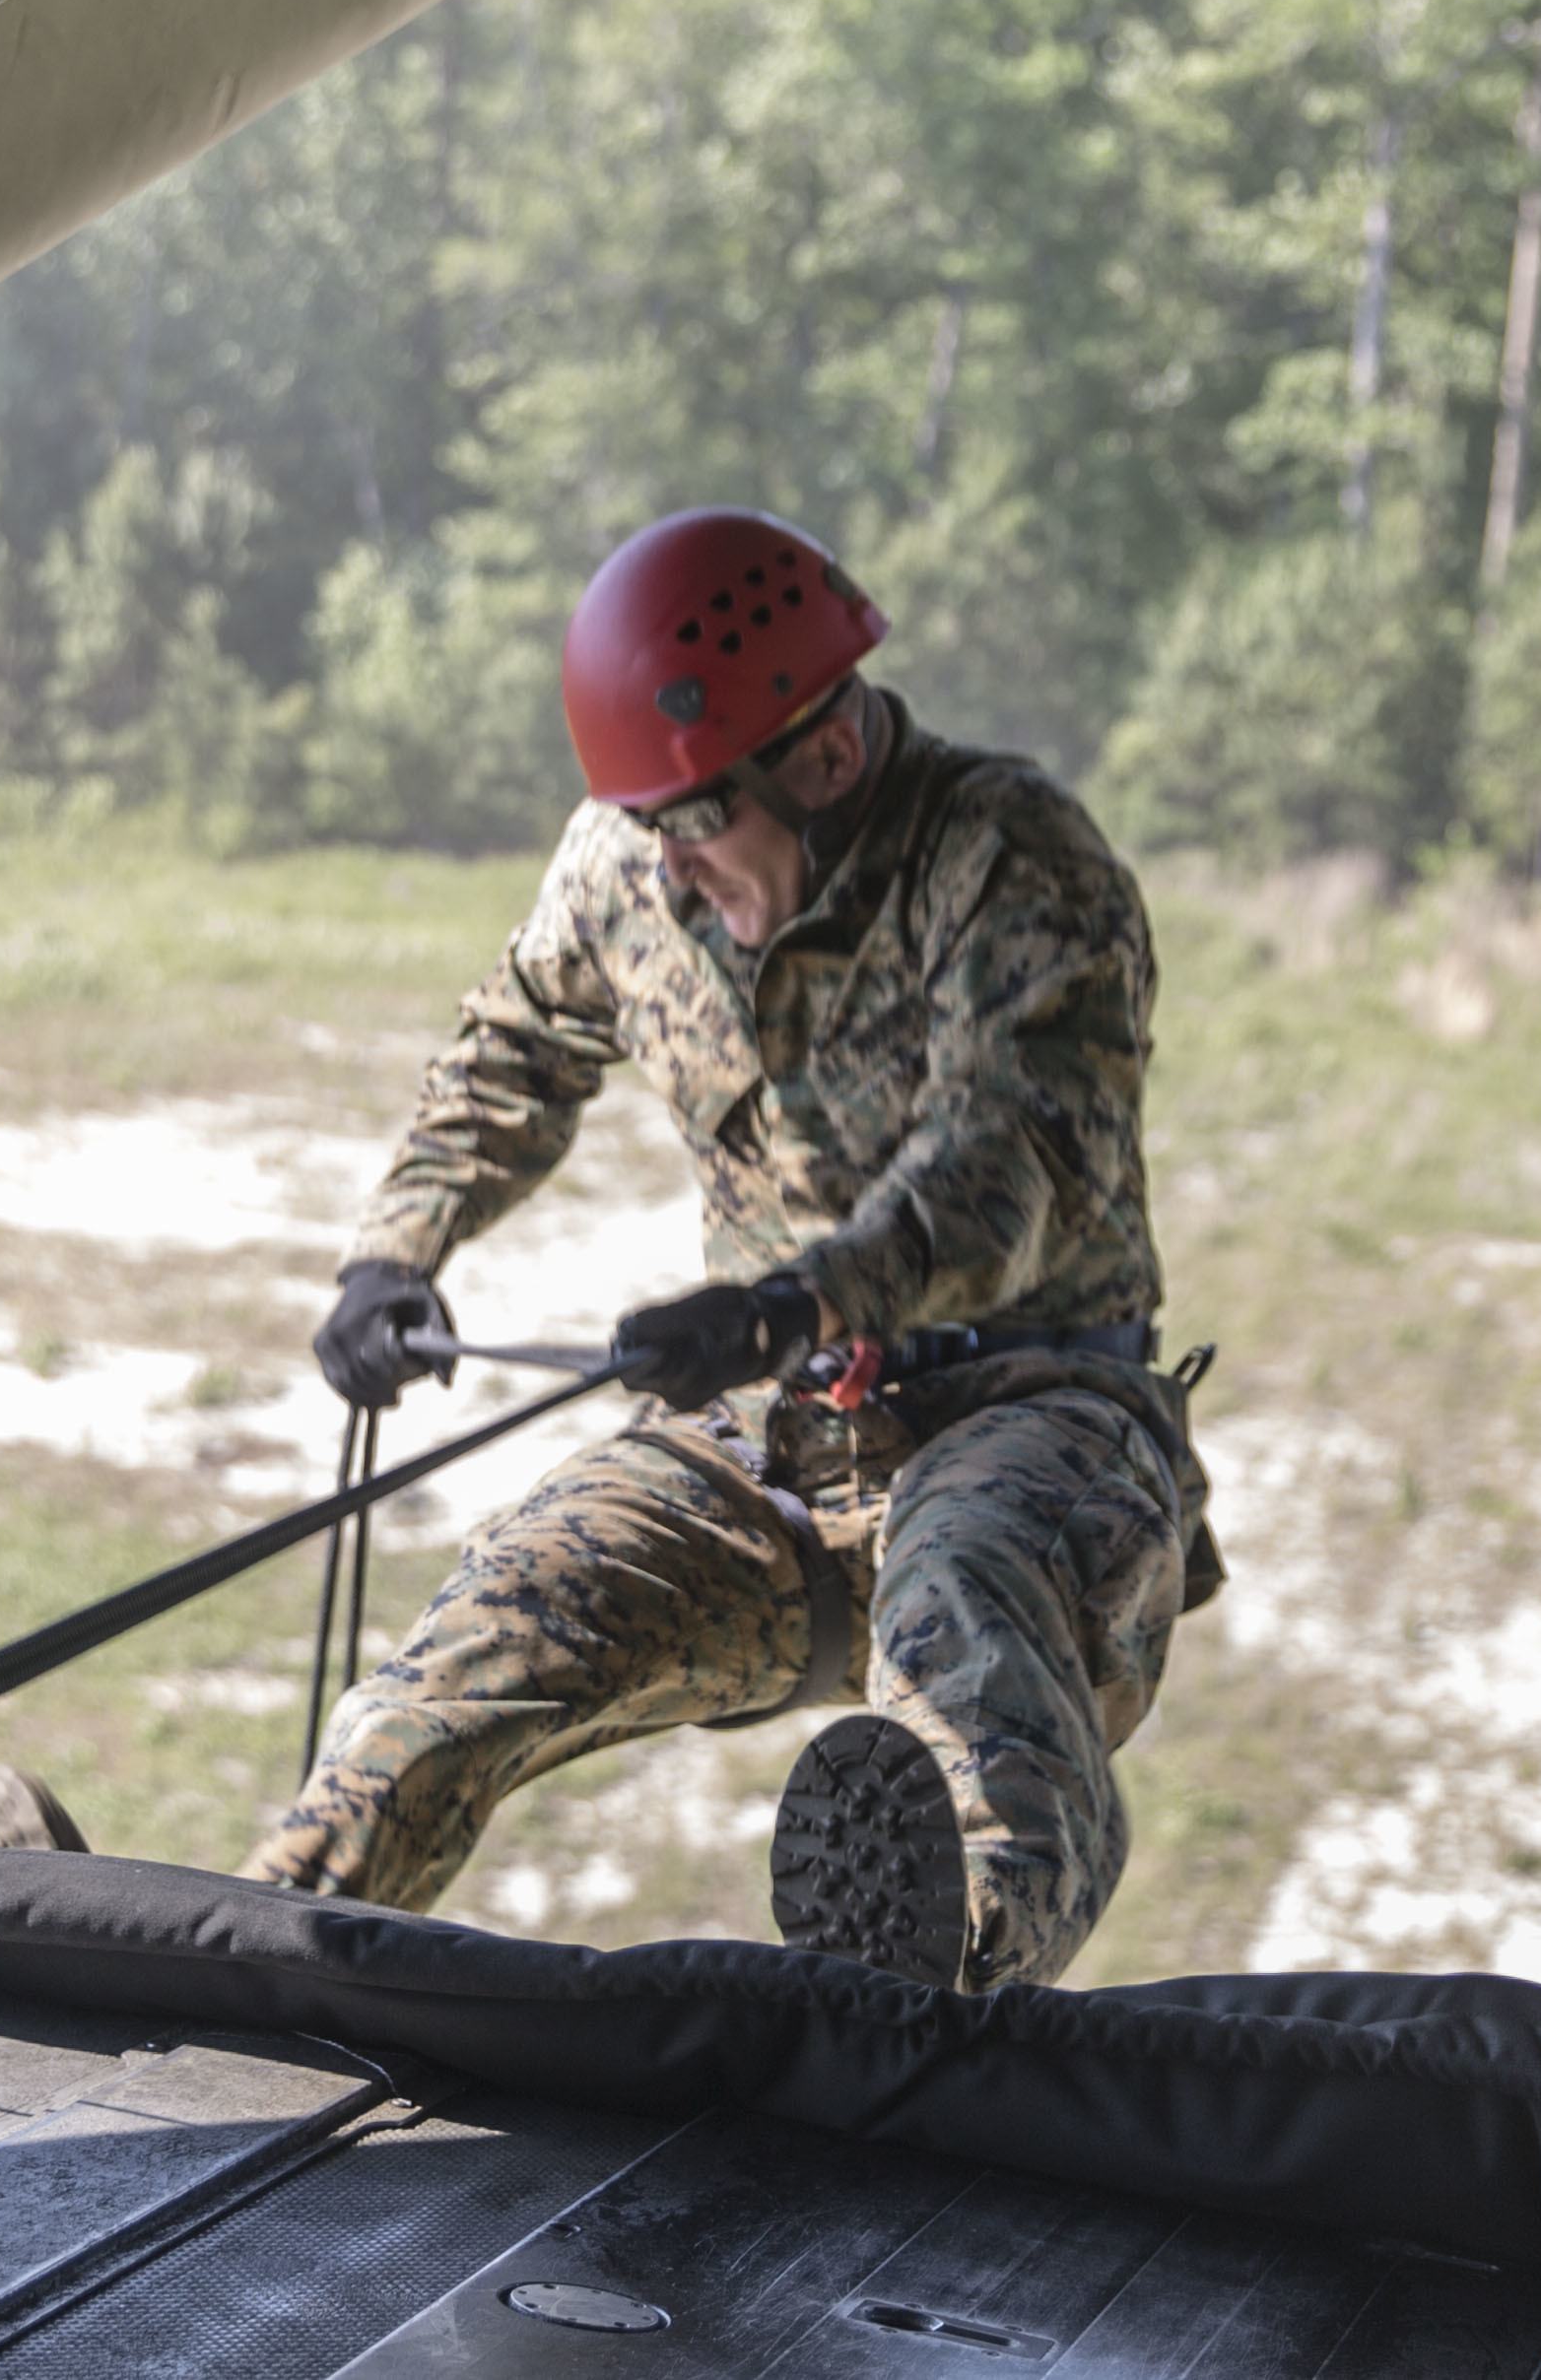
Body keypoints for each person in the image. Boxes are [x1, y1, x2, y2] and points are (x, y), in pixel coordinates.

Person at [261, 507, 1213, 1993]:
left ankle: (933, 1998)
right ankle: (253, 1946)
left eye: (694, 827)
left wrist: (793, 1300)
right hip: (764, 1439)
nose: (667, 872)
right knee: (493, 1626)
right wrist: (395, 1251)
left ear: (825, 759)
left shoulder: (1011, 862)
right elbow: (515, 1044)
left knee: (962, 1628)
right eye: (645, 829)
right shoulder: (635, 857)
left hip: (1027, 1413)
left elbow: (1010, 1163)